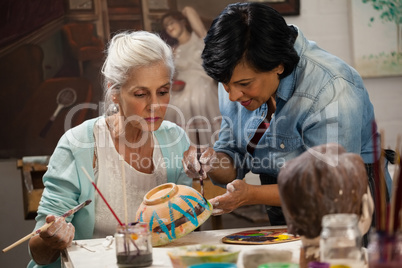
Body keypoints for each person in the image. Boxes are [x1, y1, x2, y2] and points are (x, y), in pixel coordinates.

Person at [182, 2, 391, 227]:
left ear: (278, 65)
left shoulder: (330, 87)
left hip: (347, 208)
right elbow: (233, 158)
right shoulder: (234, 80)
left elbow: (333, 187)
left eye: (244, 84)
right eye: (224, 84)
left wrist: (250, 195)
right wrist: (211, 162)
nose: (232, 96)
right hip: (283, 201)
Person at [27, 31, 192, 268]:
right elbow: (39, 255)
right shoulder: (79, 144)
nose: (155, 105)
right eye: (141, 94)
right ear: (114, 92)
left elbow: (184, 229)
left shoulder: (175, 139)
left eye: (163, 92)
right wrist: (53, 239)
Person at [161, 6, 221, 147]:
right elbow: (173, 75)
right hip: (182, 89)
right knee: (175, 106)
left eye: (171, 22)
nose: (169, 27)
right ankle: (188, 151)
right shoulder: (174, 50)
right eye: (166, 26)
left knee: (198, 97)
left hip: (202, 85)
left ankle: (215, 150)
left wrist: (185, 11)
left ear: (183, 21)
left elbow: (190, 10)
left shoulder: (200, 39)